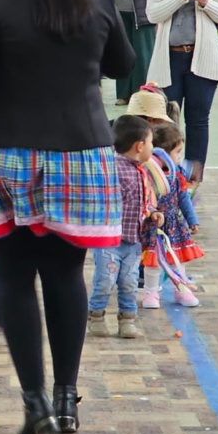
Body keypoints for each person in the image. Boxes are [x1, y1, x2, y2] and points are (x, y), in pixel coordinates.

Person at [0, 0, 135, 434]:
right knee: (64, 274)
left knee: (13, 277)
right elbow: (121, 64)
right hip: (81, 155)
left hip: (8, 156)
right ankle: (66, 400)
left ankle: (34, 403)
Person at [145, 0, 218, 186]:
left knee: (198, 119)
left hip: (202, 60)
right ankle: (167, 176)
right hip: (169, 60)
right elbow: (152, 15)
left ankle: (194, 178)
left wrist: (205, 2)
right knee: (166, 121)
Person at [87, 116, 158, 341]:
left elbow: (145, 199)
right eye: (151, 142)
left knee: (128, 282)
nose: (152, 147)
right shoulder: (113, 168)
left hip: (133, 241)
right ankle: (96, 316)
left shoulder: (141, 170)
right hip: (109, 241)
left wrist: (153, 212)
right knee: (105, 280)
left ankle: (127, 319)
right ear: (140, 146)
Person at [141, 125, 202, 309]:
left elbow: (183, 198)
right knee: (153, 262)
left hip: (174, 225)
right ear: (162, 154)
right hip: (154, 224)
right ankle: (151, 292)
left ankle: (181, 289)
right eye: (177, 152)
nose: (179, 157)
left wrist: (192, 220)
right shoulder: (147, 174)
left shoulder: (177, 175)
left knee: (177, 260)